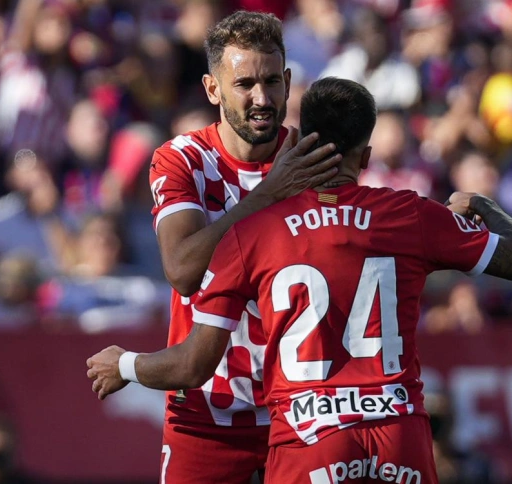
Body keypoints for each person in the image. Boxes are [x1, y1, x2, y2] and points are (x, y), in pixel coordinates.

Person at [87, 78, 512, 483]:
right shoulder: (413, 215)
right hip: (398, 433)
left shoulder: (253, 232)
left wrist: (125, 365)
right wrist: (480, 203)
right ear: (365, 156)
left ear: (302, 142)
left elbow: (195, 365)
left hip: (308, 437)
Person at [86, 11, 340, 484]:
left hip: (304, 411)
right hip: (207, 413)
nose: (261, 98)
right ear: (212, 90)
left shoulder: (318, 161)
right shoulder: (184, 159)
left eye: (271, 81)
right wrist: (268, 196)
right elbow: (182, 268)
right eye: (244, 84)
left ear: (288, 82)